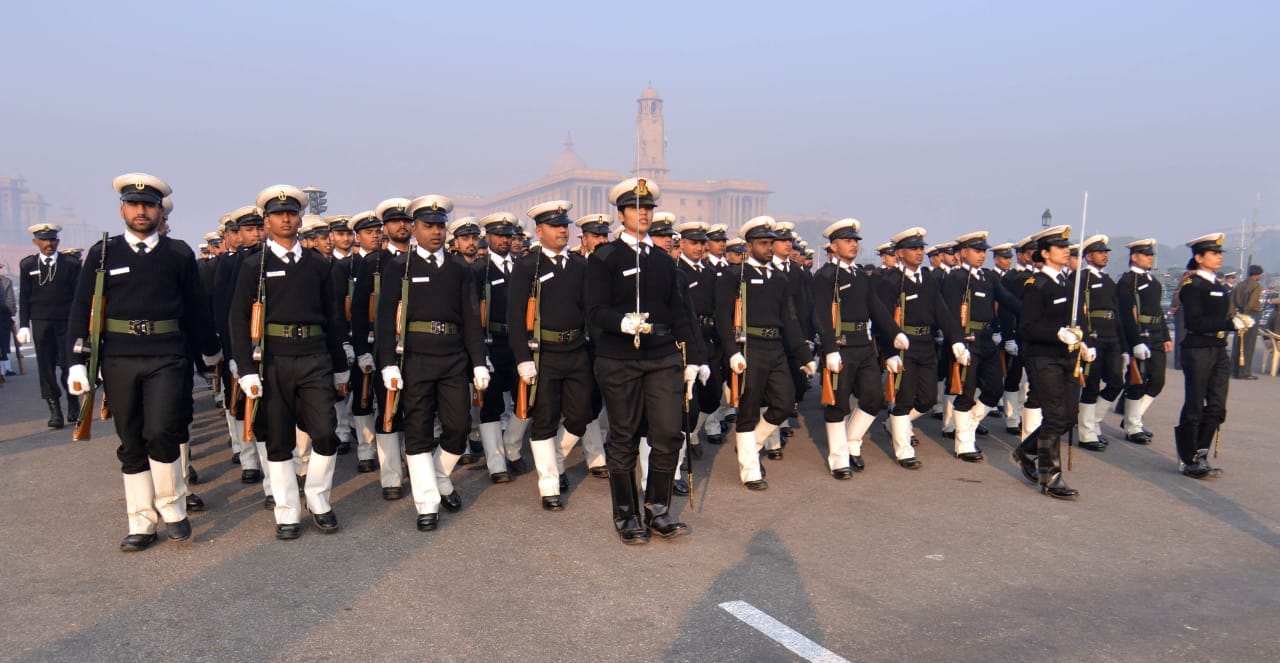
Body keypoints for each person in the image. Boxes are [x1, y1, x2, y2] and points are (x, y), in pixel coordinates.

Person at [67, 173, 220, 551]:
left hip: (166, 355)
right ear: (122, 209)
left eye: (148, 205)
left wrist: (211, 352)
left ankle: (172, 508)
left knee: (162, 431)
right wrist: (76, 359)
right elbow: (82, 307)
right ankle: (142, 521)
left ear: (159, 211)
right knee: (131, 438)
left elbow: (197, 308)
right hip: (118, 357)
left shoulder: (178, 253)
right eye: (134, 205)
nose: (141, 211)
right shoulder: (103, 253)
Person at [587, 177, 702, 543]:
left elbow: (680, 312)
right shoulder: (605, 257)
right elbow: (594, 310)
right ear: (621, 214)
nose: (644, 214)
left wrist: (692, 358)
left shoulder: (665, 263)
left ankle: (657, 508)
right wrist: (621, 322)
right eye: (636, 209)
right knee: (623, 435)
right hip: (620, 358)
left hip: (663, 356)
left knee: (669, 433)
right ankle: (626, 515)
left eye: (649, 208)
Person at [230, 185, 349, 539]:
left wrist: (340, 364)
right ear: (267, 221)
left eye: (292, 213)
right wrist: (246, 370)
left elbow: (332, 317)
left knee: (326, 432)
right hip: (274, 360)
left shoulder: (317, 263)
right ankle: (286, 510)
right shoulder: (254, 265)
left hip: (314, 356)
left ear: (299, 219)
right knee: (278, 438)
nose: (286, 219)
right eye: (278, 214)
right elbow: (237, 319)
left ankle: (318, 499)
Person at [377, 195, 487, 530]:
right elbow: (383, 319)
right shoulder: (399, 267)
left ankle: (439, 477)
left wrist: (479, 362)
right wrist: (387, 363)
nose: (436, 232)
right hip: (416, 358)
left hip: (453, 357)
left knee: (457, 427)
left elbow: (471, 318)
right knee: (419, 430)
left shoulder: (459, 269)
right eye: (428, 226)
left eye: (440, 226)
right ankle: (427, 502)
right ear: (414, 228)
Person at [507, 201, 594, 510]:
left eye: (565, 226)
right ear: (539, 231)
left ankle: (556, 458)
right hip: (543, 353)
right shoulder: (528, 265)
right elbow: (515, 315)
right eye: (555, 226)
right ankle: (548, 484)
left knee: (581, 415)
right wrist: (522, 358)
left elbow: (590, 311)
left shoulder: (579, 265)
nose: (562, 230)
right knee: (544, 418)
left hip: (576, 350)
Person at [717, 216, 814, 489]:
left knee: (785, 401)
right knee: (748, 408)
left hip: (776, 347)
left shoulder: (780, 278)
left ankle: (752, 444)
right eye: (763, 243)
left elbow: (790, 319)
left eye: (771, 243)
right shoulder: (735, 276)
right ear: (749, 246)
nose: (769, 248)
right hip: (750, 347)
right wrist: (732, 352)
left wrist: (804, 355)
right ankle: (750, 470)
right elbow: (723, 318)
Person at [813, 218, 903, 477]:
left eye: (855, 241)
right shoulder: (825, 276)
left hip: (863, 345)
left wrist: (895, 334)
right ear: (833, 245)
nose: (853, 245)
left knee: (874, 398)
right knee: (837, 403)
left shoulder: (862, 276)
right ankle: (839, 458)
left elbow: (876, 308)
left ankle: (852, 441)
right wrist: (829, 348)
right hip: (840, 345)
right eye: (847, 241)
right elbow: (820, 315)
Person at [1012, 225, 1093, 500]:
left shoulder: (1068, 284)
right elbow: (1027, 327)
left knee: (1069, 416)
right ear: (1045, 254)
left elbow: (1077, 322)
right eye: (1059, 247)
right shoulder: (1036, 286)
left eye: (1066, 246)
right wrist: (1056, 333)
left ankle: (1027, 450)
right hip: (1043, 358)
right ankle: (1051, 476)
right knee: (1055, 415)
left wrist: (1084, 343)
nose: (1065, 250)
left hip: (1068, 358)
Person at [876, 228, 963, 469]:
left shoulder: (929, 280)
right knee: (904, 398)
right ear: (900, 253)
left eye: (921, 248)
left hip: (926, 345)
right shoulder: (890, 281)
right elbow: (883, 320)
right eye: (913, 248)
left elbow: (942, 313)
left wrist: (956, 339)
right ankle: (904, 450)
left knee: (926, 399)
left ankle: (895, 422)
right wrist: (890, 352)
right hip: (903, 346)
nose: (919, 252)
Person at [1175, 233, 1247, 479]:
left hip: (1218, 349)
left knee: (1217, 406)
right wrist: (1229, 323)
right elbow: (1195, 321)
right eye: (1214, 253)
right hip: (1198, 349)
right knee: (1195, 404)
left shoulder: (1217, 285)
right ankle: (1188, 458)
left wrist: (1232, 323)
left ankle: (1201, 452)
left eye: (1219, 253)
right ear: (1198, 257)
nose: (1218, 257)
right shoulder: (1192, 285)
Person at [941, 231, 1014, 462]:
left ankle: (970, 423)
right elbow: (950, 313)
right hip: (967, 341)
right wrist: (956, 342)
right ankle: (964, 444)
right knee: (966, 393)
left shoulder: (989, 278)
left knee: (994, 390)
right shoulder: (955, 279)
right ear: (963, 252)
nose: (982, 255)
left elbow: (1008, 301)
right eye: (977, 250)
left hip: (986, 340)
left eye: (983, 251)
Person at [474, 212, 532, 482]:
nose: (504, 240)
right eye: (499, 235)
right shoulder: (479, 270)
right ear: (488, 237)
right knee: (492, 404)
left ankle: (512, 449)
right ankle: (496, 462)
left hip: (519, 342)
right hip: (493, 342)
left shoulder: (523, 266)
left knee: (525, 400)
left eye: (509, 236)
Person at [18, 223, 82, 427]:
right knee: (45, 368)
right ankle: (55, 411)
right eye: (44, 240)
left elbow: (79, 296)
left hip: (66, 321)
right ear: (36, 242)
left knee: (67, 365)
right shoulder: (28, 265)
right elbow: (24, 296)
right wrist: (23, 325)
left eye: (52, 240)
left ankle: (73, 403)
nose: (49, 244)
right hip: (40, 321)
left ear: (58, 242)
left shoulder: (71, 264)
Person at [1116, 239, 1170, 443]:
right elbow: (1126, 316)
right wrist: (1135, 342)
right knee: (1137, 382)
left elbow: (1159, 312)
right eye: (1146, 254)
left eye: (1151, 254)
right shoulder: (1128, 282)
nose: (1150, 258)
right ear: (1134, 257)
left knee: (1158, 381)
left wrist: (1165, 336)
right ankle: (1132, 426)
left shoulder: (1154, 282)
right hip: (1141, 335)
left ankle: (1133, 418)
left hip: (1156, 334)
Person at [1074, 235, 1123, 452]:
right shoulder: (1082, 279)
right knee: (1091, 386)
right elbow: (1079, 313)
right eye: (1100, 252)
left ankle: (1094, 421)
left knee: (1116, 383)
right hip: (1094, 338)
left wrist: (1125, 346)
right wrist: (1084, 339)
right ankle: (1086, 433)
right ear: (1088, 255)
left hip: (1111, 337)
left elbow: (1118, 312)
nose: (1105, 255)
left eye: (1105, 252)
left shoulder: (1108, 280)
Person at [1231, 264, 1264, 379]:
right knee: (1248, 345)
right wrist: (1246, 314)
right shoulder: (1257, 286)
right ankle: (1244, 372)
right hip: (1251, 315)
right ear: (1257, 275)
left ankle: (1235, 370)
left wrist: (1235, 315)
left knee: (1238, 343)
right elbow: (1252, 302)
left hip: (1239, 314)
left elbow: (1232, 301)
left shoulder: (1240, 285)